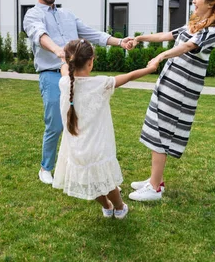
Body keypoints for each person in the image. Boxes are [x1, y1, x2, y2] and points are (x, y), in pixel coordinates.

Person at [23, 0, 134, 185]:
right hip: (52, 75)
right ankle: (46, 167)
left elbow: (91, 34)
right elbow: (39, 35)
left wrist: (120, 42)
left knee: (80, 124)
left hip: (77, 76)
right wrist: (58, 51)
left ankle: (79, 166)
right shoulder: (33, 15)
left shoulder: (67, 15)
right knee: (56, 124)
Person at [128, 0, 215, 202]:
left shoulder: (210, 32)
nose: (194, 0)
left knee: (161, 132)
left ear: (211, 3)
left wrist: (162, 56)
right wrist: (140, 37)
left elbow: (185, 47)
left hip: (181, 90)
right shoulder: (194, 25)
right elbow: (168, 36)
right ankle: (156, 180)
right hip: (170, 83)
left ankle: (154, 188)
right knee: (156, 127)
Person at [52, 39, 157, 218]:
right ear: (90, 62)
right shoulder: (101, 83)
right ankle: (119, 206)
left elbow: (64, 69)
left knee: (93, 183)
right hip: (97, 149)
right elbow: (130, 76)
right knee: (106, 182)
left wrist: (63, 59)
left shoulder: (64, 83)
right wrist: (150, 68)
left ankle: (107, 206)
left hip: (77, 150)